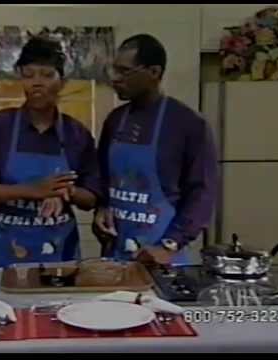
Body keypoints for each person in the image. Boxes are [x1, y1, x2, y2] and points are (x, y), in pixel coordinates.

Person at [0, 37, 100, 267]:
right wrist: (32, 191)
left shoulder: (77, 134)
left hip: (59, 255)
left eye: (46, 75)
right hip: (4, 253)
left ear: (61, 81)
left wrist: (67, 191)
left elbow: (91, 198)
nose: (37, 83)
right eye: (28, 74)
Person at [93, 34, 218, 265]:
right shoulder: (115, 120)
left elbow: (202, 194)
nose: (115, 79)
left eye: (124, 71)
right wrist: (102, 207)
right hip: (115, 255)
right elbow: (103, 177)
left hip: (164, 258)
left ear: (154, 72)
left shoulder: (188, 124)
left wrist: (169, 244)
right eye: (114, 70)